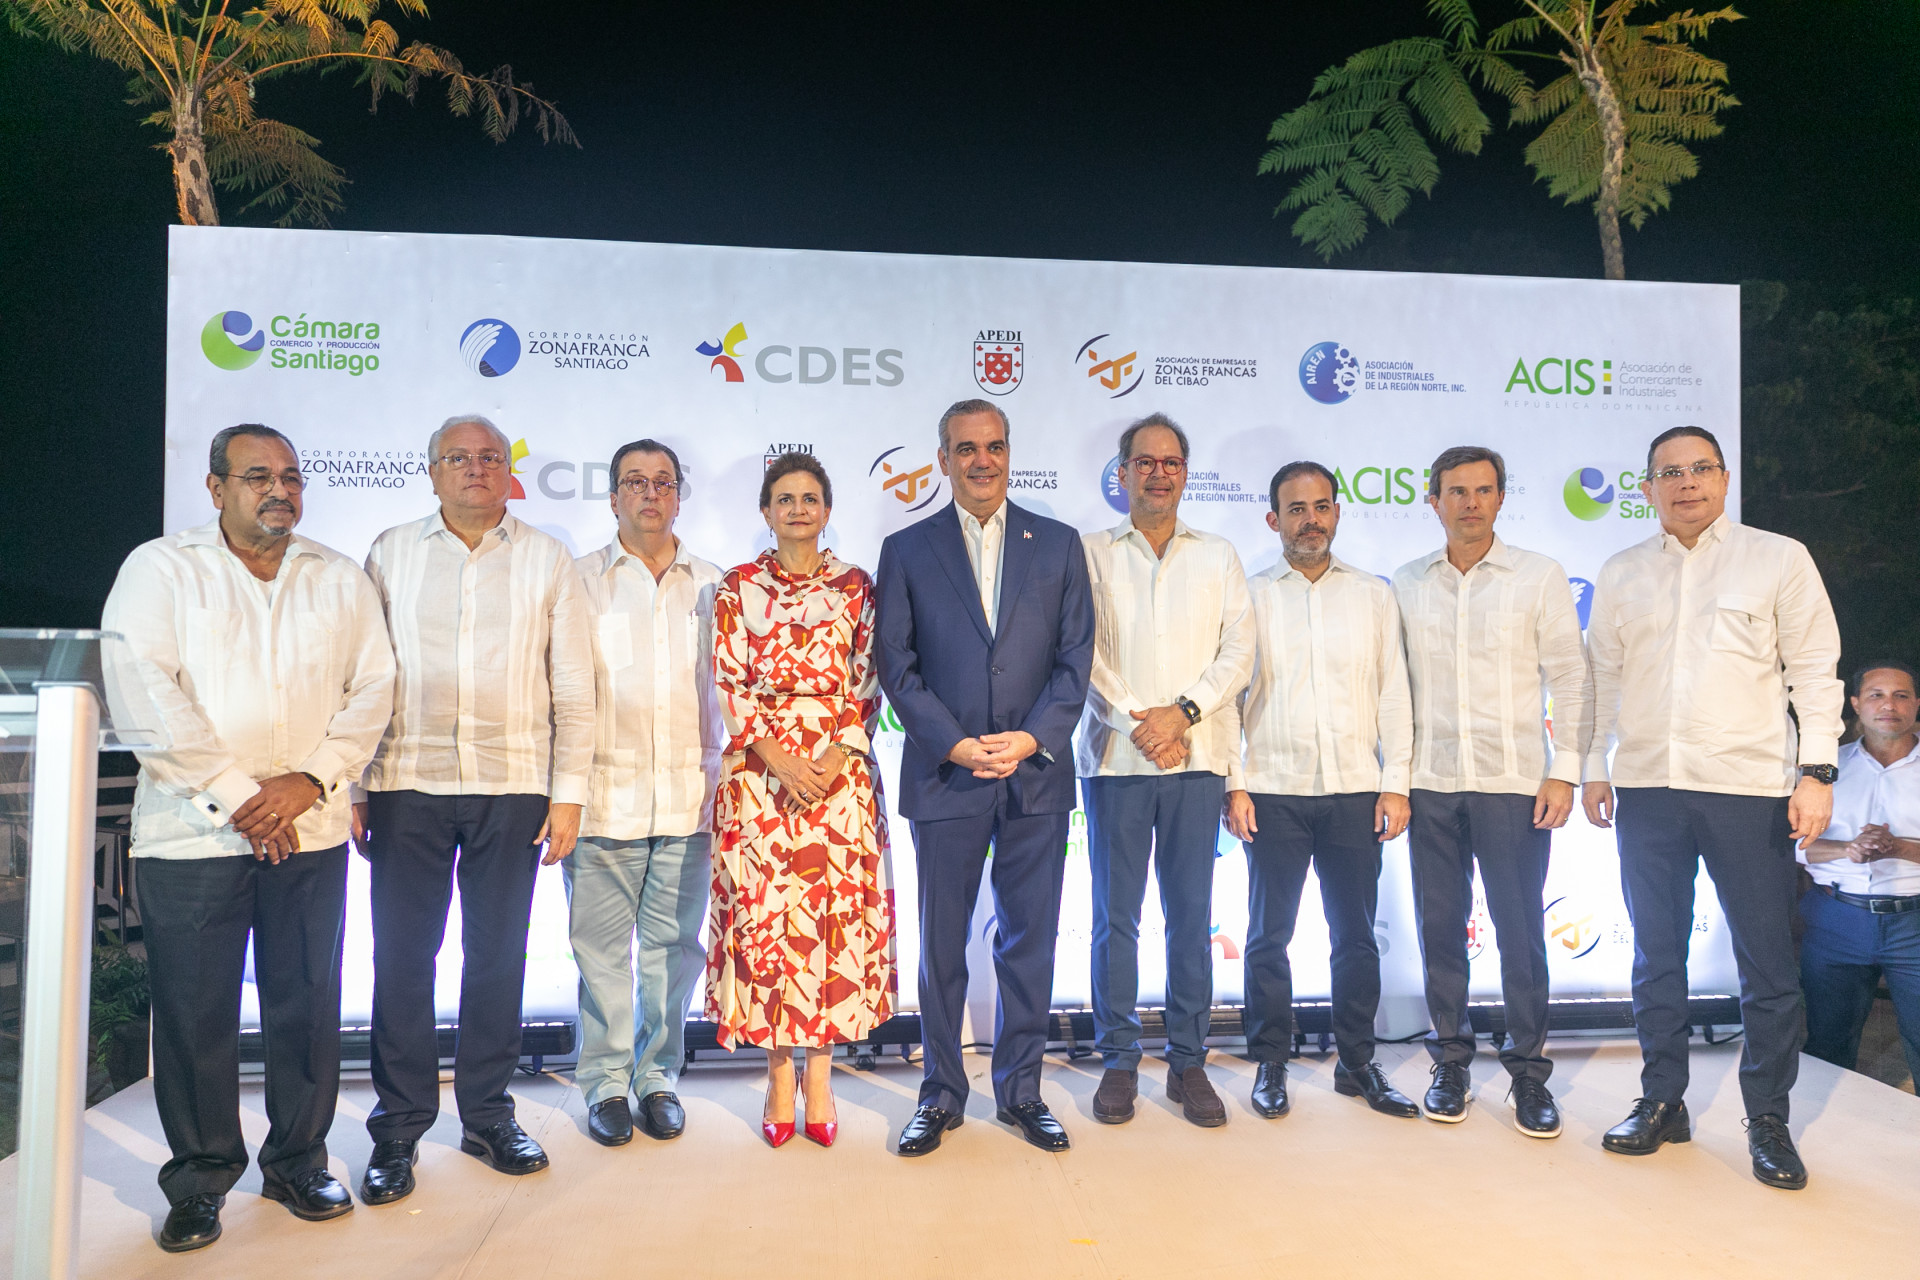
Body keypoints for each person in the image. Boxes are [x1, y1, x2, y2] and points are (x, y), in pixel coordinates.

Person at [102, 424, 394, 1252]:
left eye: (291, 477)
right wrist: (241, 797)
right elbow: (143, 690)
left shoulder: (337, 576)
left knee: (306, 1004)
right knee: (196, 1016)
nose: (280, 490)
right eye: (258, 476)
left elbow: (374, 687)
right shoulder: (161, 570)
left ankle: (298, 1162)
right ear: (216, 487)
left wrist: (308, 782)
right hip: (193, 838)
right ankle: (199, 1181)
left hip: (309, 828)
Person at [1583, 424, 1842, 1191]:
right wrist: (1591, 767)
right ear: (1647, 488)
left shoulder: (1778, 558)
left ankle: (1768, 1119)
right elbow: (1601, 679)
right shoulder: (1623, 570)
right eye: (1670, 472)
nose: (1687, 482)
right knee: (1655, 955)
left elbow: (1814, 670)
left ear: (1725, 480)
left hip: (1749, 790)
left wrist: (1817, 771)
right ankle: (1663, 1101)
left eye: (1701, 468)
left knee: (1767, 963)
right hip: (1648, 789)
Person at [353, 414, 594, 1202]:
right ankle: (397, 1129)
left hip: (512, 783)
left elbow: (572, 685)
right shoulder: (391, 552)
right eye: (458, 457)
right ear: (432, 472)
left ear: (507, 472)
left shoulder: (546, 558)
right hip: (406, 782)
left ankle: (488, 1114)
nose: (476, 469)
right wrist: (354, 784)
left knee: (497, 959)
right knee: (402, 959)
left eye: (490, 457)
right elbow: (361, 675)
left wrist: (568, 793)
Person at [875, 398, 1094, 1156]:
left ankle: (1022, 1091)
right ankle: (941, 1094)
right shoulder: (907, 549)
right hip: (948, 777)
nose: (981, 461)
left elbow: (1075, 660)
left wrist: (1031, 738)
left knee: (1029, 942)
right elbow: (897, 667)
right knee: (942, 948)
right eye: (965, 449)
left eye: (994, 446)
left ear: (1009, 453)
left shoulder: (1058, 544)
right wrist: (958, 745)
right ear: (942, 460)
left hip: (1035, 778)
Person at [1392, 446, 1593, 1137]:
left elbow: (1570, 677)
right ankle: (1451, 1063)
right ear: (1433, 500)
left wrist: (1565, 768)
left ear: (1501, 498)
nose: (1470, 502)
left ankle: (1529, 1074)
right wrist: (1394, 779)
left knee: (1521, 932)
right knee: (1440, 930)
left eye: (1483, 490)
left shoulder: (1538, 576)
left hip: (1514, 784)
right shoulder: (1407, 582)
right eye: (1456, 491)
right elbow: (1391, 688)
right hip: (1429, 783)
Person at [707, 452, 895, 1149]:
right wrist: (779, 759)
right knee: (766, 924)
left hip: (838, 776)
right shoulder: (737, 587)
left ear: (827, 509)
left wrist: (836, 756)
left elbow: (868, 678)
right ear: (765, 510)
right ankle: (778, 1073)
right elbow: (728, 683)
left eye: (809, 498)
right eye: (784, 498)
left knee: (829, 927)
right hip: (760, 776)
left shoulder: (857, 587)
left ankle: (822, 1075)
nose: (797, 509)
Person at [1222, 461, 1417, 1122]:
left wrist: (1395, 784)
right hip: (1271, 792)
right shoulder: (1249, 596)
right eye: (1296, 509)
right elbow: (1229, 701)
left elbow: (1394, 695)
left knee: (1356, 937)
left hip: (1356, 792)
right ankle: (1270, 1061)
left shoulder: (1372, 596)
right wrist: (1235, 783)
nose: (1311, 520)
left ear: (1337, 512)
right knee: (1267, 937)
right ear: (1273, 519)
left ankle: (1357, 1062)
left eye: (1322, 506)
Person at [1078, 413, 1253, 1127]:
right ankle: (1119, 1060)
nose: (1158, 473)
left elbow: (1238, 653)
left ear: (1185, 473)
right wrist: (1140, 723)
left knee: (1190, 920)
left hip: (1196, 762)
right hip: (1116, 762)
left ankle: (1187, 1062)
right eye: (1144, 462)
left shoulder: (1218, 556)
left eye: (1171, 462)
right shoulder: (1089, 553)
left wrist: (1180, 715)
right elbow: (1080, 651)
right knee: (1114, 921)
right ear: (1122, 473)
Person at [567, 438, 723, 1147]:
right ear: (613, 498)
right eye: (635, 481)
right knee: (601, 956)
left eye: (664, 482)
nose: (650, 493)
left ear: (679, 497)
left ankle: (657, 1077)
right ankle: (605, 1083)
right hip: (603, 800)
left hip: (690, 800)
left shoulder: (716, 585)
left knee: (672, 951)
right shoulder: (579, 582)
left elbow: (731, 696)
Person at [1797, 661, 1920, 1085]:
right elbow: (1796, 844)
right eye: (1876, 695)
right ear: (1855, 704)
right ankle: (1830, 1125)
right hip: (1837, 919)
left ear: (1916, 704)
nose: (1889, 705)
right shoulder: (1823, 771)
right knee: (1828, 1044)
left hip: (1914, 921)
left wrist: (1897, 847)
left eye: (1901, 696)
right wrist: (1848, 849)